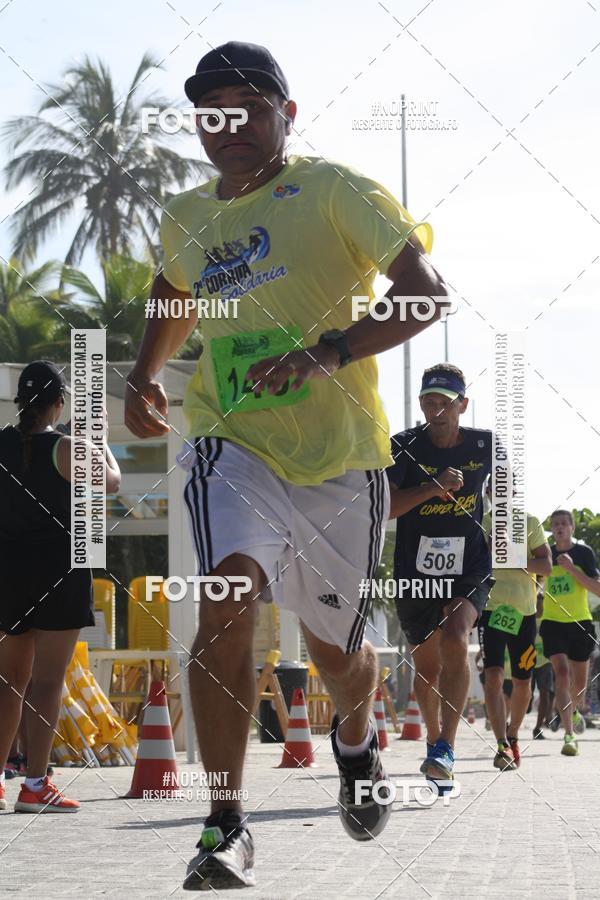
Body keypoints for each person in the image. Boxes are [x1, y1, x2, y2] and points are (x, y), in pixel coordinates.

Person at [124, 41, 449, 891]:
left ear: (286, 116)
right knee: (226, 597)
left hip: (341, 458)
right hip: (231, 443)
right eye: (212, 109)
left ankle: (355, 737)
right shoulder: (186, 213)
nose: (229, 123)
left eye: (249, 105)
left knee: (336, 654)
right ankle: (224, 826)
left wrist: (329, 352)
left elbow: (425, 291)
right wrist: (142, 374)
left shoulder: (335, 190)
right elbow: (172, 292)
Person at [0, 361, 121, 813]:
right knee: (47, 682)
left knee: (9, 682)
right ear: (59, 403)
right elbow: (111, 482)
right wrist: (100, 440)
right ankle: (34, 786)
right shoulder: (68, 447)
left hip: (9, 571)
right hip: (60, 572)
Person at [387, 364, 492, 782]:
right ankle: (433, 741)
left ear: (462, 405)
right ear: (420, 405)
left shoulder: (486, 444)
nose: (437, 411)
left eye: (445, 403)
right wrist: (432, 487)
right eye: (429, 403)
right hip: (416, 567)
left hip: (470, 564)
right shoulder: (403, 445)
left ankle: (448, 745)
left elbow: (506, 497)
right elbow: (389, 508)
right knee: (426, 668)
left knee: (456, 635)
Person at [478, 498, 551, 769]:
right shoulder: (483, 520)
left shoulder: (529, 522)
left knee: (523, 682)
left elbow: (546, 566)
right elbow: (472, 558)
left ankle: (513, 734)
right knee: (494, 676)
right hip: (490, 610)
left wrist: (516, 557)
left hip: (524, 613)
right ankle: (501, 745)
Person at [539, 510, 600, 756]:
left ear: (572, 528)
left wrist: (572, 569)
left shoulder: (584, 553)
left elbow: (596, 589)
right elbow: (535, 582)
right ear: (551, 529)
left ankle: (573, 711)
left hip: (580, 622)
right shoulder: (545, 553)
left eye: (564, 523)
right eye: (555, 524)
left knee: (579, 687)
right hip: (553, 622)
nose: (560, 527)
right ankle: (569, 735)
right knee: (561, 674)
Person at [532, 589, 554, 739]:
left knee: (545, 693)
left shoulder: (549, 620)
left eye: (542, 603)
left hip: (545, 662)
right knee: (524, 695)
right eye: (537, 603)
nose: (540, 606)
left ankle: (538, 727)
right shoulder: (527, 619)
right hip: (528, 659)